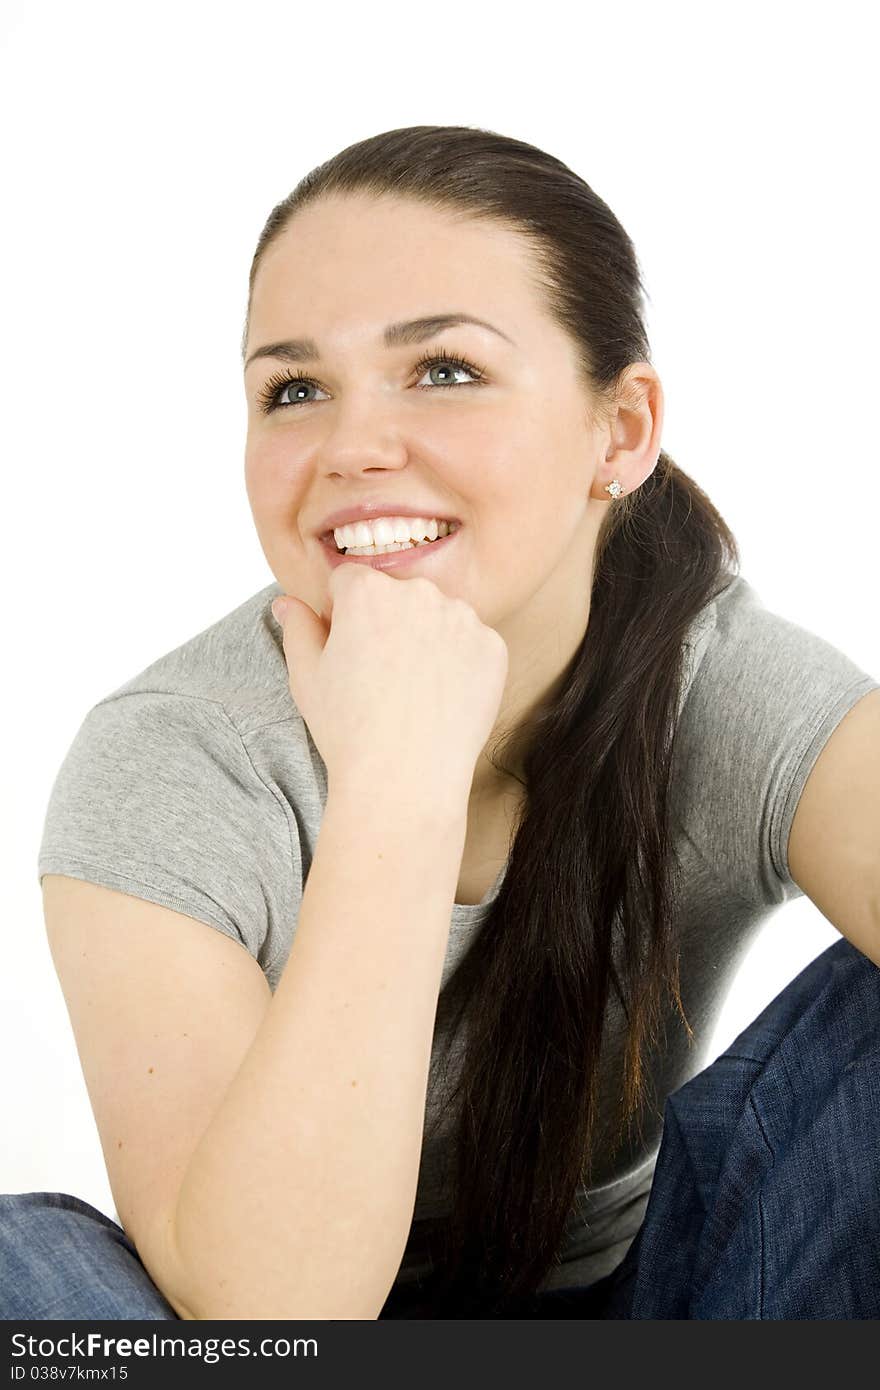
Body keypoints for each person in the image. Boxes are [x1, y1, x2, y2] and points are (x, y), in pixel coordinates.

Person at [6, 124, 879, 1321]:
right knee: (21, 1265)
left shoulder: (715, 679)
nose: (353, 447)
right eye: (295, 389)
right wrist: (397, 786)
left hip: (677, 1309)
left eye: (445, 370)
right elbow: (272, 1314)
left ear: (618, 430)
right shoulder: (172, 758)